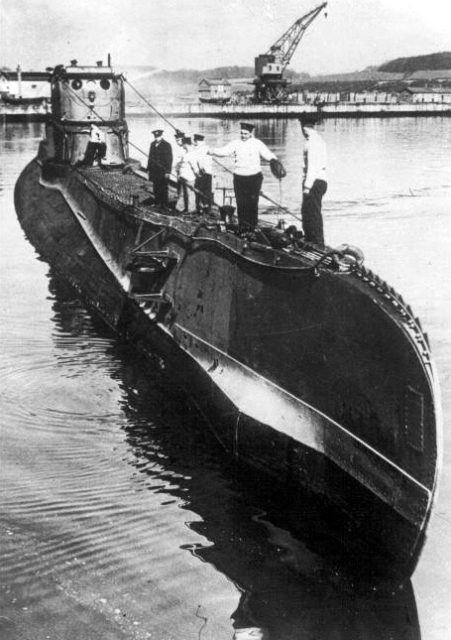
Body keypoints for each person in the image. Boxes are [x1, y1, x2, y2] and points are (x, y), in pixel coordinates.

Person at [209, 122, 279, 232]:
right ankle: (243, 227)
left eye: (245, 134)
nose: (243, 136)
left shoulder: (257, 143)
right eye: (241, 133)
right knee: (241, 203)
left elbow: (267, 154)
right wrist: (211, 150)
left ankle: (252, 227)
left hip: (254, 178)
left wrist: (275, 160)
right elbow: (224, 152)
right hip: (239, 177)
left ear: (251, 133)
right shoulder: (235, 143)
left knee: (252, 203)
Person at [299, 114, 327, 246]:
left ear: (304, 127)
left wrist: (307, 186)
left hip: (314, 181)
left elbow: (312, 166)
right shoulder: (319, 140)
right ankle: (315, 241)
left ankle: (314, 242)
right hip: (320, 180)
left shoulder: (312, 142)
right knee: (312, 212)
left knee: (310, 212)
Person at [146, 129, 173, 207]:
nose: (156, 138)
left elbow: (169, 159)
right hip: (154, 170)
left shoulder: (167, 145)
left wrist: (168, 171)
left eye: (158, 136)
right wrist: (148, 169)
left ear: (161, 136)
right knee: (156, 186)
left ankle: (164, 203)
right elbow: (150, 157)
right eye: (155, 136)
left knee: (163, 187)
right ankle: (157, 202)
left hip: (163, 170)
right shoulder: (152, 144)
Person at [175, 136, 197, 213]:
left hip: (188, 177)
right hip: (185, 176)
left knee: (188, 193)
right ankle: (182, 208)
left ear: (186, 144)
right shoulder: (187, 153)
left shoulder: (191, 154)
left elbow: (194, 166)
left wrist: (197, 173)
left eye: (184, 144)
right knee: (184, 193)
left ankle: (188, 209)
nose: (183, 146)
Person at [192, 133, 213, 213]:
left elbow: (199, 161)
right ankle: (207, 207)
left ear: (196, 141)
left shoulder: (198, 149)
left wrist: (198, 171)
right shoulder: (207, 148)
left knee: (200, 191)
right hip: (209, 172)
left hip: (202, 172)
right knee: (207, 191)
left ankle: (201, 208)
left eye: (194, 141)